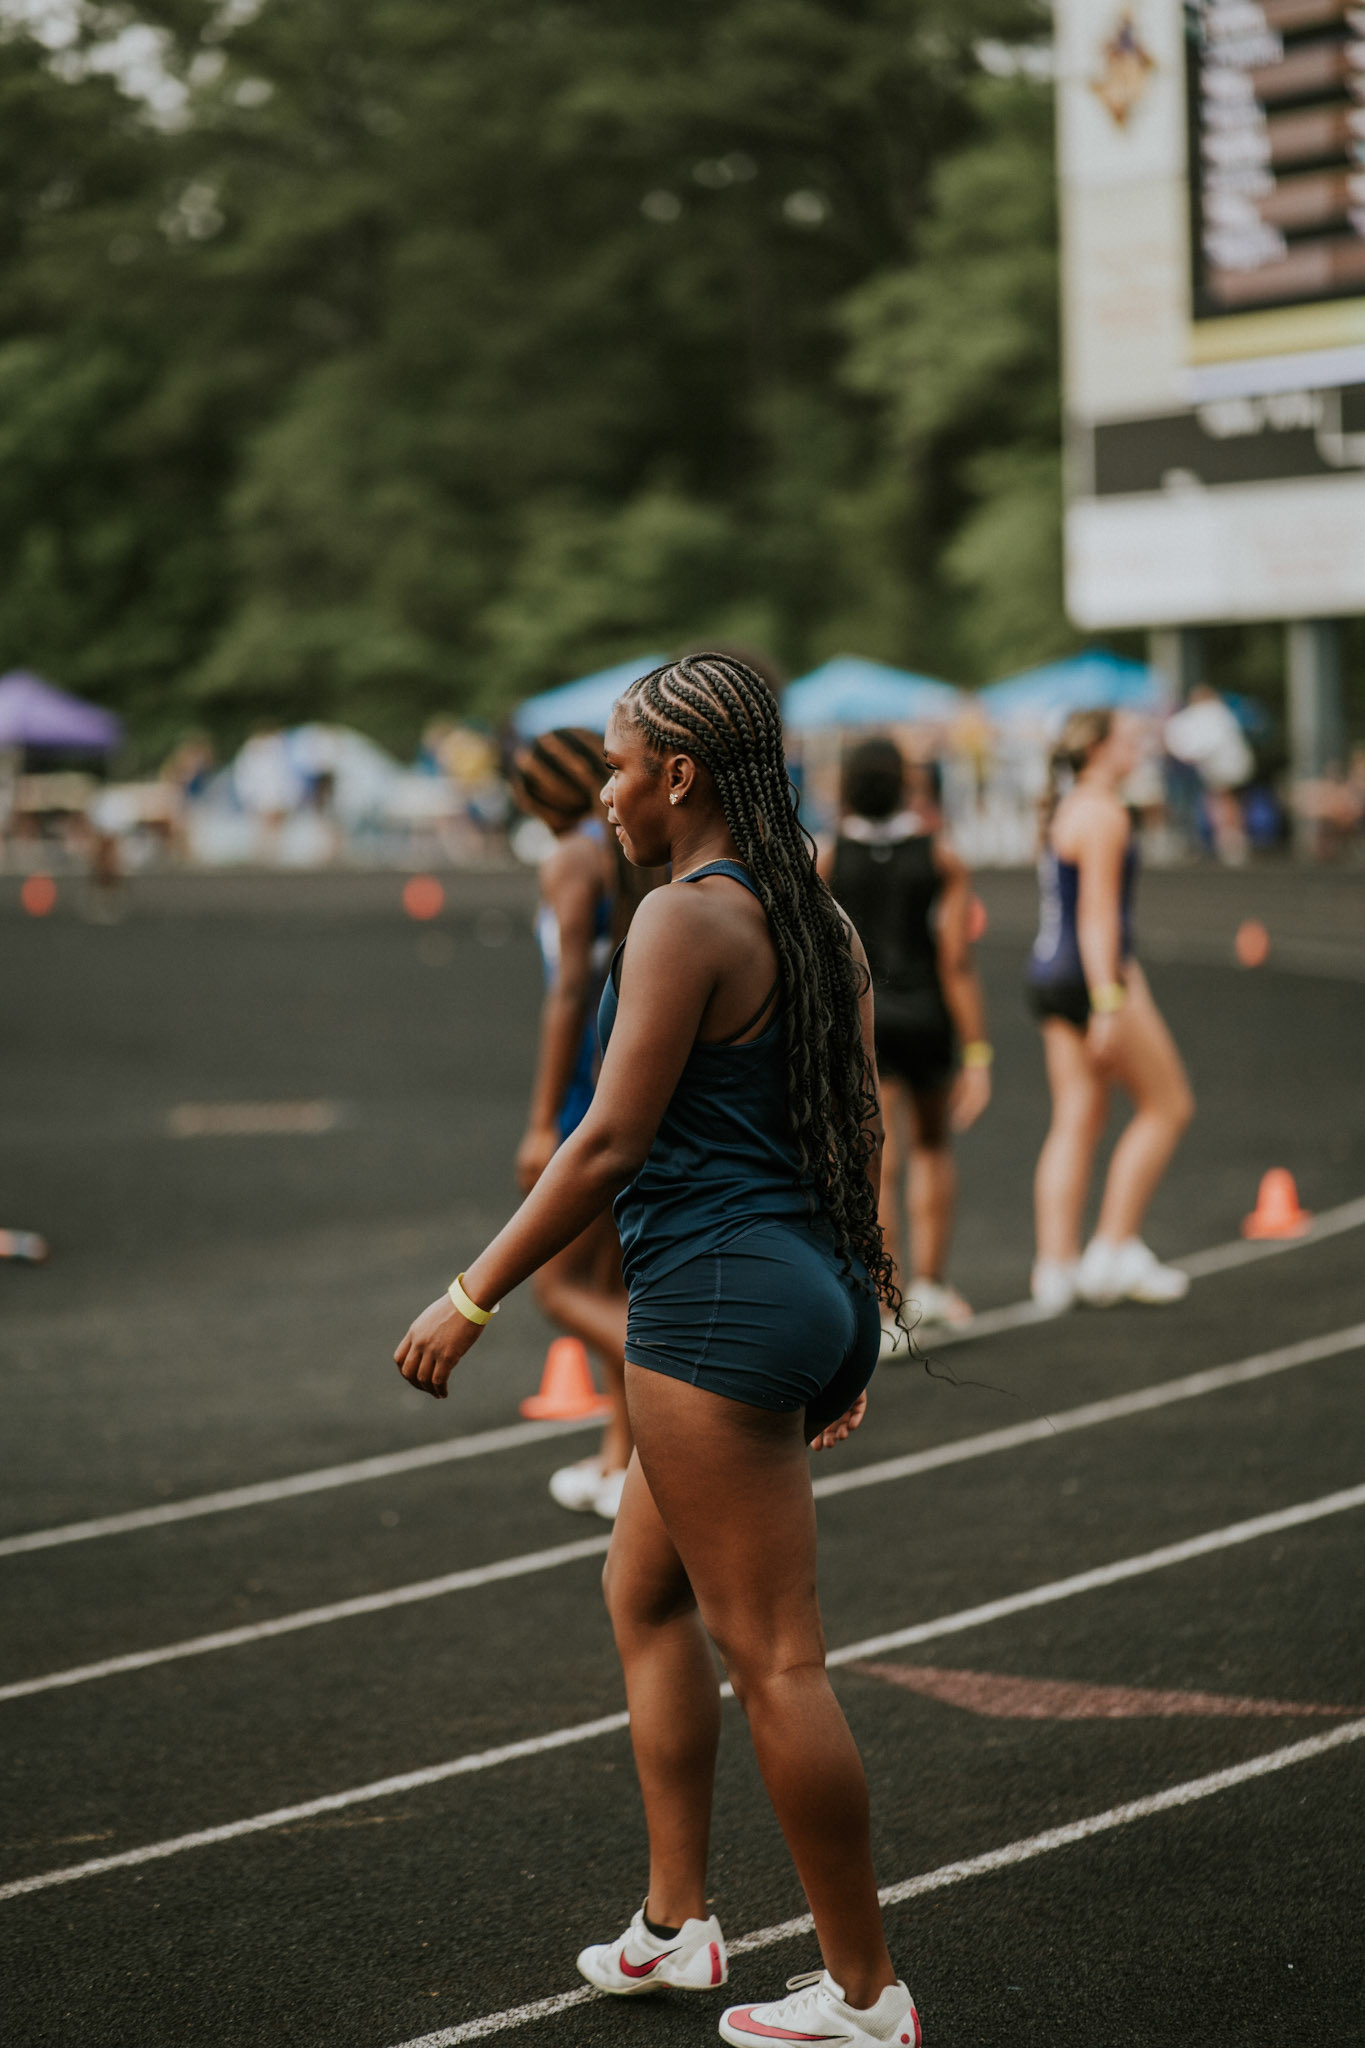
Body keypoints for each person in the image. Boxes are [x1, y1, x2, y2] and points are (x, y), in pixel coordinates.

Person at [397, 656, 921, 2048]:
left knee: (779, 1661)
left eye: (621, 769)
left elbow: (609, 1140)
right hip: (799, 1285)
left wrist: (472, 1295)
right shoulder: (814, 915)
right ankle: (677, 1922)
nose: (608, 796)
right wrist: (856, 1321)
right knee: (642, 1591)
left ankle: (866, 1994)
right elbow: (856, 1127)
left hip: (712, 1301)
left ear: (678, 777)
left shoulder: (681, 919)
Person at [508, 727, 655, 1521]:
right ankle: (622, 1459)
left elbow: (569, 988)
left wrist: (541, 1121)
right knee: (611, 1281)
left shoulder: (569, 858)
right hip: (630, 1082)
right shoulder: (628, 852)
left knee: (560, 1289)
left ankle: (681, 1392)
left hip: (585, 1093)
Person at [821, 741, 990, 1343]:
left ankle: (885, 1301)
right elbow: (956, 960)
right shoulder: (940, 857)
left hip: (864, 1019)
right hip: (925, 1015)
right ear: (905, 786)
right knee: (932, 1147)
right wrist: (978, 1051)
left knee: (878, 1161)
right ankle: (933, 1286)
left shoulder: (829, 858)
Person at [1026, 708, 1195, 1313]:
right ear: (1099, 747)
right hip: (1093, 977)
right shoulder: (1103, 812)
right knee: (1168, 1106)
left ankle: (1055, 1267)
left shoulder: (1068, 807)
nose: (1140, 747)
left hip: (1050, 972)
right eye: (1130, 739)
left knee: (1077, 1116)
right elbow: (1097, 914)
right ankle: (1113, 1249)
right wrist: (1107, 1001)